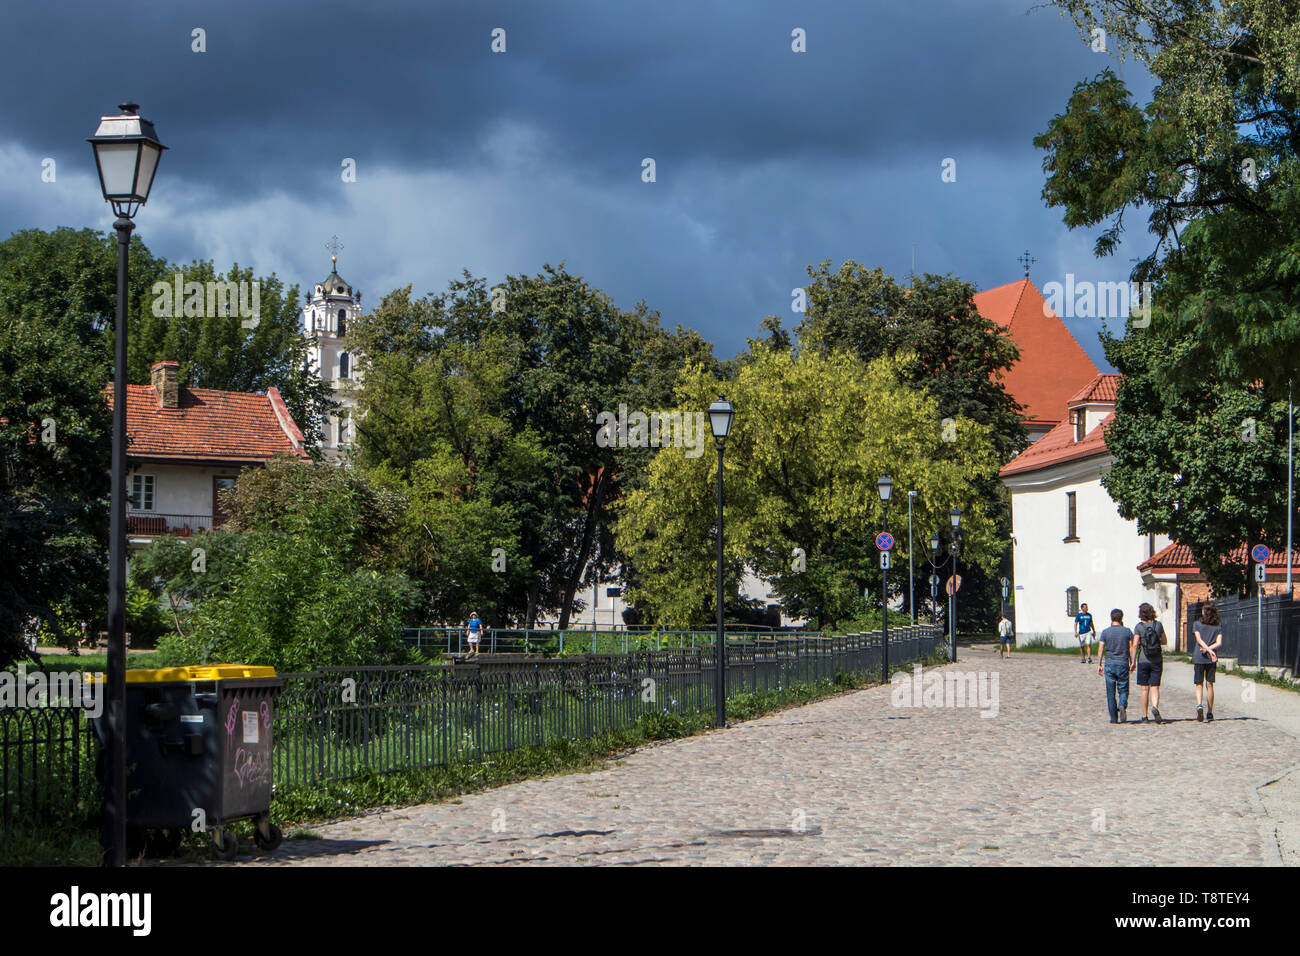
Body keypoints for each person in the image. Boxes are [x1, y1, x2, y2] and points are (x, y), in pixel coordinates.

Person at [1098, 608, 1136, 723]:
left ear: (1111, 618)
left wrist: (1099, 664)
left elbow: (1101, 648)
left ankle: (1113, 718)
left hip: (1109, 664)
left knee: (1110, 692)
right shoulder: (1127, 631)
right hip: (1123, 663)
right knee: (1123, 689)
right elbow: (1131, 647)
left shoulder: (1105, 632)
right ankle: (1122, 704)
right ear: (1121, 618)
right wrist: (1132, 662)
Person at [1133, 602, 1167, 723]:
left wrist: (1132, 661)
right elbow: (1164, 641)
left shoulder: (1139, 627)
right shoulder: (1158, 625)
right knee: (1155, 687)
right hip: (1156, 659)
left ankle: (1144, 716)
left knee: (1144, 689)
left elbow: (1135, 644)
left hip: (1143, 659)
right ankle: (1155, 707)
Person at [1191, 602, 1223, 722]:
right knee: (1210, 685)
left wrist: (1206, 649)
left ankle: (1199, 705)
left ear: (1204, 612)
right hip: (1211, 659)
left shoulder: (1197, 624)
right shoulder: (1217, 626)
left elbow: (1198, 639)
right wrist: (1210, 650)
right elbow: (1219, 643)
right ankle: (1210, 712)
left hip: (1199, 657)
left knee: (1199, 684)